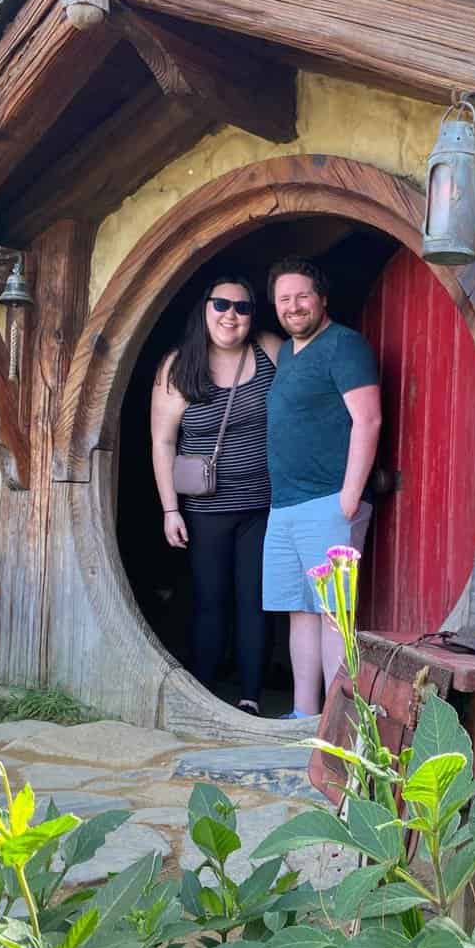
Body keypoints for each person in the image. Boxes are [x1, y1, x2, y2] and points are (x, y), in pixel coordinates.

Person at [150, 275, 281, 714]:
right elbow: (163, 441)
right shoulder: (179, 365)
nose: (231, 315)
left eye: (242, 308)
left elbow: (307, 392)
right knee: (210, 599)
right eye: (221, 304)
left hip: (264, 503)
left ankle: (250, 697)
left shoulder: (267, 349)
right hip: (205, 507)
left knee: (255, 600)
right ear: (204, 309)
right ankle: (204, 697)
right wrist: (170, 509)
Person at [263, 255, 381, 717]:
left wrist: (349, 498)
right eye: (284, 299)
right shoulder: (289, 353)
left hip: (329, 502)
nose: (293, 307)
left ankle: (340, 722)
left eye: (302, 296)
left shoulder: (344, 346)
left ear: (322, 299)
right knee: (301, 612)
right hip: (286, 505)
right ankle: (303, 716)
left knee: (334, 616)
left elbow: (367, 420)